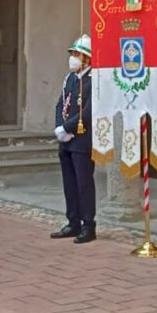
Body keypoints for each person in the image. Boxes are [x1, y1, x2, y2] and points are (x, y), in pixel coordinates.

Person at [50, 34, 96, 244]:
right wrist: (60, 127)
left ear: (87, 58)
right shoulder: (69, 79)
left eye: (77, 55)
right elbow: (61, 104)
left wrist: (68, 128)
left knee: (83, 183)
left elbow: (89, 112)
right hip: (65, 139)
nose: (73, 58)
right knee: (69, 183)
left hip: (82, 140)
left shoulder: (94, 80)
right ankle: (73, 221)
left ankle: (88, 225)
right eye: (73, 54)